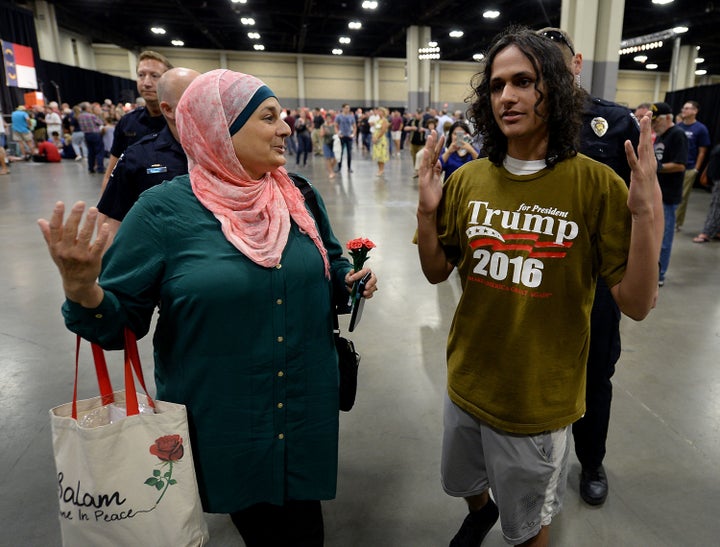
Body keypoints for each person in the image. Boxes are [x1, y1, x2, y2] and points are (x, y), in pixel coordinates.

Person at [39, 68, 378, 547]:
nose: (285, 127)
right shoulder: (162, 213)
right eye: (269, 117)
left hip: (304, 409)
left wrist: (346, 276)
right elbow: (120, 326)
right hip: (228, 419)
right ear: (222, 128)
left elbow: (329, 256)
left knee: (304, 524)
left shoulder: (297, 195)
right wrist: (81, 289)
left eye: (283, 117)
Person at [416, 27, 661, 547]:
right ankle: (479, 513)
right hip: (466, 378)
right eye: (498, 85)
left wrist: (647, 215)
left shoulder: (595, 183)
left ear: (554, 86)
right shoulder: (467, 179)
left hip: (535, 400)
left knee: (528, 528)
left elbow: (637, 303)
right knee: (465, 480)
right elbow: (437, 271)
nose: (507, 96)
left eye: (524, 82)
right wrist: (425, 210)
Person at [538, 26, 644, 507]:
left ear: (576, 64)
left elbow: (635, 207)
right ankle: (542, 459)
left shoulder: (615, 123)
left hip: (597, 279)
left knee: (596, 373)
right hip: (537, 271)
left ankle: (592, 460)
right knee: (536, 366)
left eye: (556, 66)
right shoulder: (519, 120)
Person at [97, 68, 200, 238]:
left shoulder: (228, 151)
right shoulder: (137, 158)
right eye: (196, 98)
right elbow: (114, 220)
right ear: (168, 109)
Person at [101, 51, 173, 192]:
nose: (146, 83)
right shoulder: (127, 122)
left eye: (154, 76)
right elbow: (111, 174)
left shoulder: (181, 122)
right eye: (141, 75)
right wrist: (103, 211)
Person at [651, 101, 688, 287]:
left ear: (667, 118)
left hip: (669, 194)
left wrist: (657, 167)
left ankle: (660, 274)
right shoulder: (661, 135)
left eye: (656, 121)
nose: (654, 125)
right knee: (654, 236)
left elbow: (681, 164)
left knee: (664, 238)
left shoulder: (677, 135)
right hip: (657, 192)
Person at [675, 101, 711, 231]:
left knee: (682, 197)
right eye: (683, 108)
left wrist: (696, 168)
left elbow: (702, 151)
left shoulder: (700, 129)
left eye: (687, 108)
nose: (683, 110)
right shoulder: (678, 127)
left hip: (689, 167)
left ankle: (676, 223)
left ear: (695, 111)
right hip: (674, 166)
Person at [693, 143, 720, 243]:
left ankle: (706, 233)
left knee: (716, 206)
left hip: (718, 180)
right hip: (715, 178)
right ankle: (717, 230)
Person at [76, 102, 105, 174]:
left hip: (86, 135)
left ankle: (91, 168)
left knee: (91, 152)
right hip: (95, 134)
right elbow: (101, 123)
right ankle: (100, 168)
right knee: (99, 151)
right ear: (86, 108)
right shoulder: (91, 116)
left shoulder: (79, 116)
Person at [334, 103, 356, 172]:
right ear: (343, 108)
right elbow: (335, 126)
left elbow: (354, 126)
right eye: (346, 108)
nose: (347, 109)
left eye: (348, 108)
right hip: (342, 136)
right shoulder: (339, 116)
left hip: (349, 136)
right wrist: (338, 134)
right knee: (340, 152)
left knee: (349, 153)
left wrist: (353, 134)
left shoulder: (351, 117)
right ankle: (339, 167)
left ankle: (349, 167)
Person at [372, 107, 389, 177]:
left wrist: (377, 138)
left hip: (381, 140)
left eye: (380, 111)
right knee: (377, 155)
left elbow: (383, 131)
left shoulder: (384, 121)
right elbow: (375, 129)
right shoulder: (377, 120)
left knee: (381, 155)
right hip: (375, 138)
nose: (379, 113)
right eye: (378, 111)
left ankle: (381, 169)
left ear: (383, 113)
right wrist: (373, 137)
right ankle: (379, 169)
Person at [320, 113, 338, 179]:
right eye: (327, 118)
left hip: (334, 144)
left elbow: (337, 133)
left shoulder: (334, 125)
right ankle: (331, 172)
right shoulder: (323, 126)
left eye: (329, 118)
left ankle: (330, 169)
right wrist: (325, 132)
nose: (328, 120)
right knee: (328, 158)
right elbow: (321, 135)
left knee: (335, 158)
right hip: (326, 143)